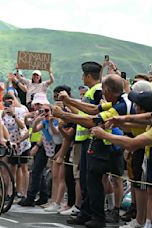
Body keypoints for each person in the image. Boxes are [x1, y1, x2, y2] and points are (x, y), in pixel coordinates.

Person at [53, 73, 135, 228]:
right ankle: (89, 214)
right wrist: (69, 101)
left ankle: (98, 217)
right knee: (89, 179)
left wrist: (64, 115)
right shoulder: (117, 99)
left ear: (108, 90)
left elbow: (93, 121)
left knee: (95, 179)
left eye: (104, 89)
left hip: (116, 145)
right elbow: (93, 109)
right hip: (108, 144)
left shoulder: (121, 106)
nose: (102, 93)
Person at [91, 90, 152, 228]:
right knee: (149, 191)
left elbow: (132, 143)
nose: (133, 107)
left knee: (145, 190)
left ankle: (144, 222)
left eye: (136, 104)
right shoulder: (149, 117)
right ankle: (146, 222)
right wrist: (119, 120)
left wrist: (104, 135)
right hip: (147, 157)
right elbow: (135, 120)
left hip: (144, 154)